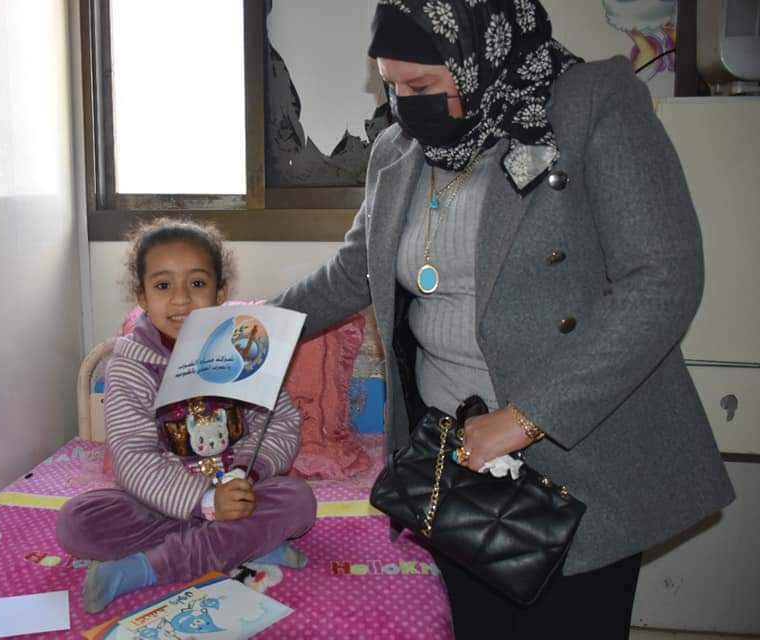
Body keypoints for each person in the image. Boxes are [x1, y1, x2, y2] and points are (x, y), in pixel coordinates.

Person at [270, 1, 734, 637]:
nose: (405, 105)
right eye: (391, 85)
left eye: (422, 85)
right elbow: (354, 272)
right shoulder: (397, 151)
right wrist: (247, 329)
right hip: (452, 461)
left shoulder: (589, 105)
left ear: (479, 53)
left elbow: (663, 281)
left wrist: (521, 420)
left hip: (574, 454)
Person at [57, 218, 315, 614]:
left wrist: (246, 474)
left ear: (220, 292)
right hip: (158, 502)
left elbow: (278, 424)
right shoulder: (129, 366)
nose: (180, 299)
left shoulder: (244, 351)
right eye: (163, 286)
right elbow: (133, 458)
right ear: (142, 297)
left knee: (298, 502)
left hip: (238, 492)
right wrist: (207, 503)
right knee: (78, 523)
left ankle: (144, 569)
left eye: (196, 283)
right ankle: (244, 542)